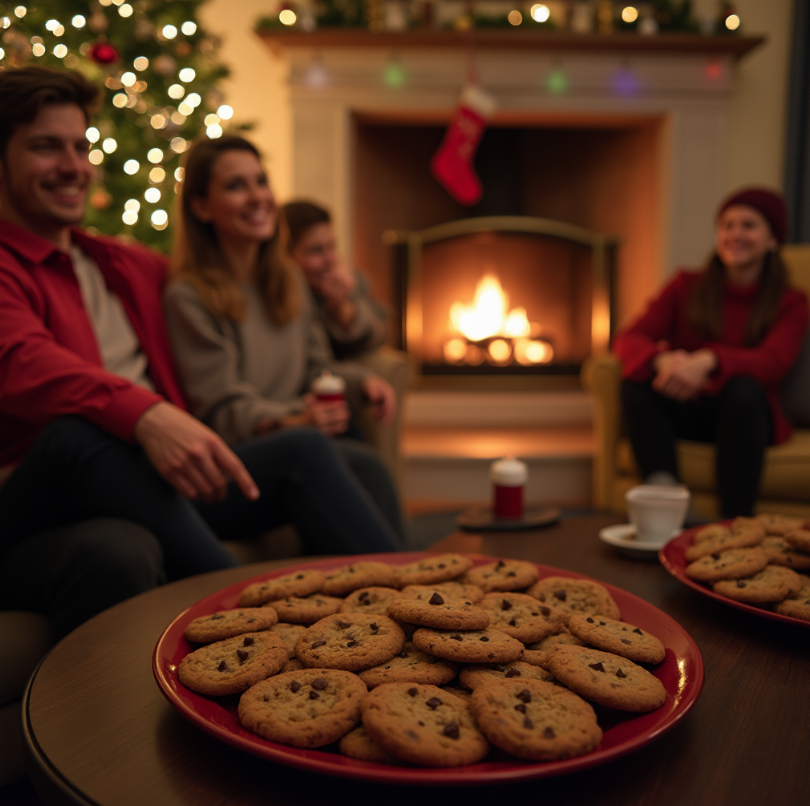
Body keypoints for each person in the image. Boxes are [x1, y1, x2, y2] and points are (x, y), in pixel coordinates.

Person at [0, 66, 401, 637]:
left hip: (149, 478)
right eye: (46, 147)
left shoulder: (123, 264)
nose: (74, 166)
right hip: (37, 492)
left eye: (81, 146)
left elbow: (232, 292)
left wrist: (316, 278)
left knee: (311, 450)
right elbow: (20, 360)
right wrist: (147, 413)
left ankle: (418, 612)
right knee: (79, 437)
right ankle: (257, 632)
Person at [163, 135, 405, 541]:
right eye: (237, 186)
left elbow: (316, 367)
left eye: (261, 181)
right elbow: (224, 409)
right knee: (310, 448)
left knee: (366, 463)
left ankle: (401, 581)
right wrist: (293, 420)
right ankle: (403, 583)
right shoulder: (189, 296)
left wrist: (360, 381)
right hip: (236, 459)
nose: (258, 197)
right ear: (201, 206)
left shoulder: (287, 279)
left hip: (297, 433)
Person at [613, 188, 809, 518]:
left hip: (745, 420)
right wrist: (663, 360)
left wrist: (709, 360)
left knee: (744, 388)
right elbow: (629, 338)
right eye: (727, 225)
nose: (735, 234)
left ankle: (735, 522)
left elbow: (773, 362)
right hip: (689, 407)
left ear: (773, 240)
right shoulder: (685, 285)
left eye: (748, 225)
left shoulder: (791, 301)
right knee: (635, 381)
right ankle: (667, 501)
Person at [281, 199, 389, 360]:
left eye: (332, 246)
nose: (330, 259)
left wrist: (345, 312)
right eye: (316, 250)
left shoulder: (349, 279)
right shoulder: (283, 297)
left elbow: (384, 332)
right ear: (285, 256)